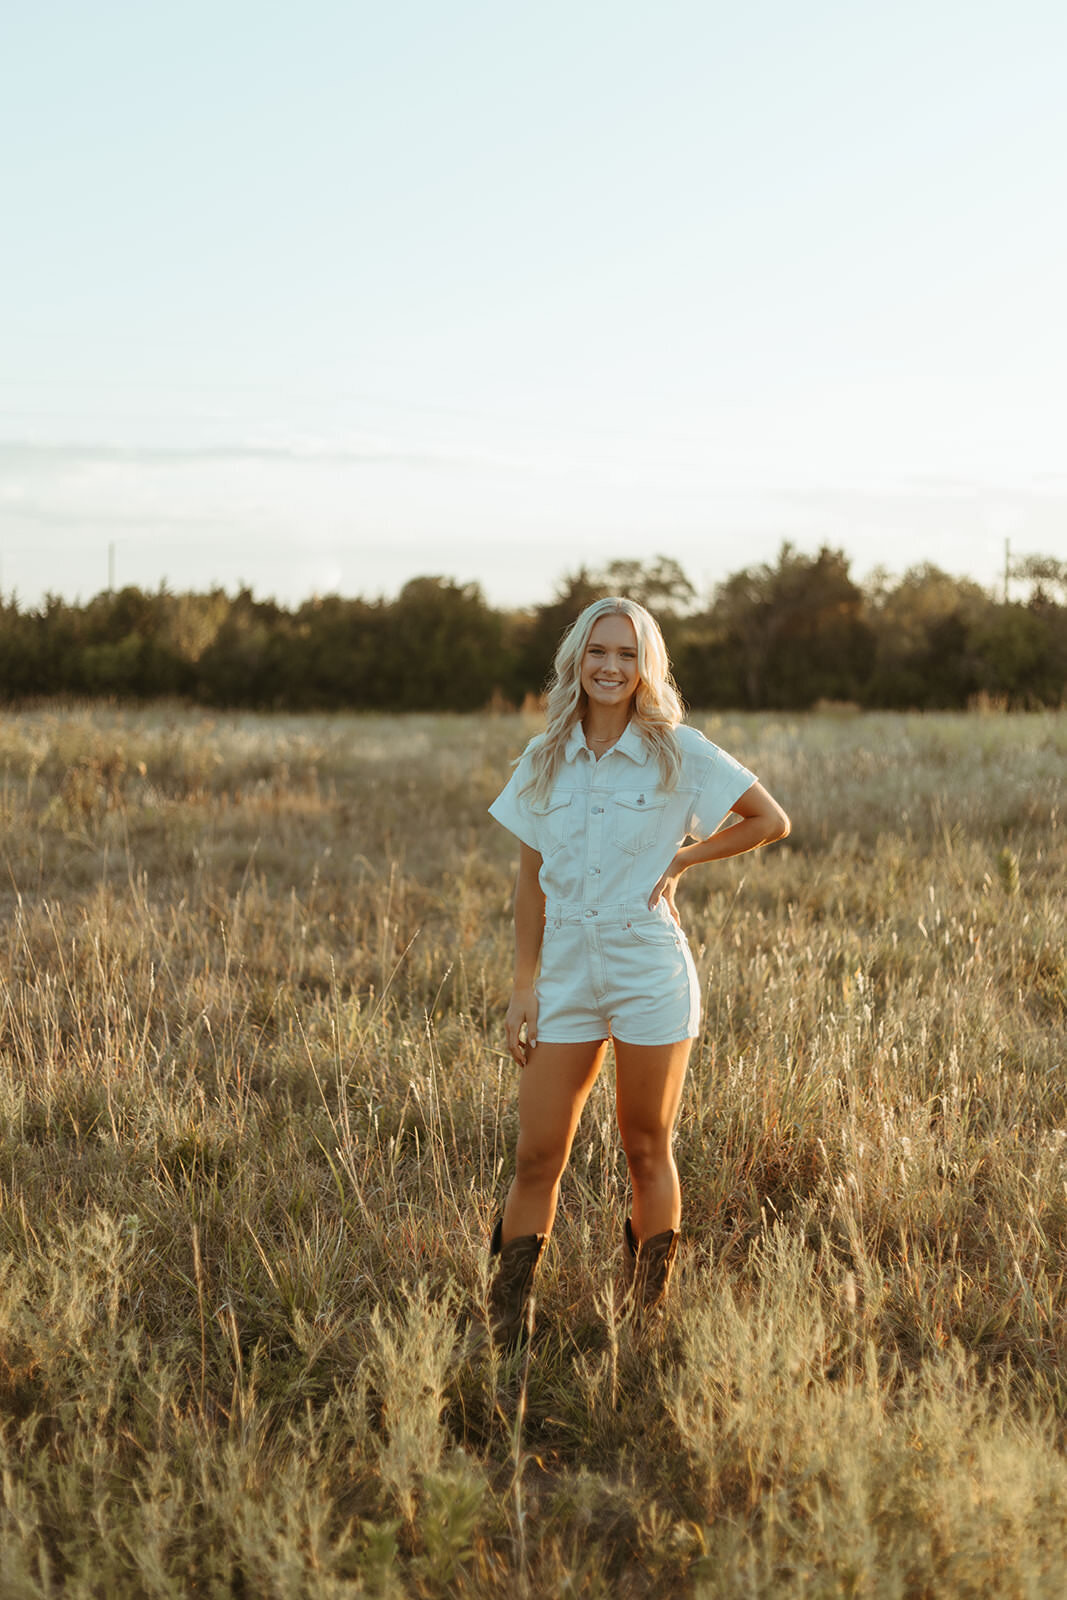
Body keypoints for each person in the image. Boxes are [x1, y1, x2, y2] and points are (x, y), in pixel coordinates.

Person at [485, 596, 790, 1347]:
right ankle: (504, 1328)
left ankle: (644, 1317)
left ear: (646, 665)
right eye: (598, 653)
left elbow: (768, 819)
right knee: (535, 1155)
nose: (611, 667)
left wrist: (686, 856)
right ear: (576, 663)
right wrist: (523, 987)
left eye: (626, 654)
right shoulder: (542, 756)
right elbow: (529, 882)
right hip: (562, 970)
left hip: (647, 965)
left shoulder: (678, 750)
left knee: (646, 1146)